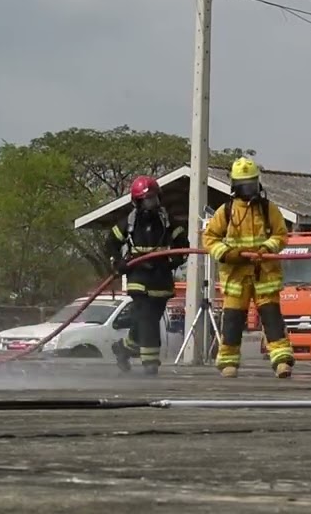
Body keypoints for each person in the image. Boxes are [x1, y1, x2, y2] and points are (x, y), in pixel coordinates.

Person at [204, 157, 294, 379]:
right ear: (235, 186)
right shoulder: (226, 212)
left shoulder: (268, 209)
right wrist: (227, 254)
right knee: (233, 321)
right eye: (244, 186)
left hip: (265, 276)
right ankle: (228, 362)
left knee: (272, 319)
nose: (249, 190)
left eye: (252, 184)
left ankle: (281, 360)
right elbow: (210, 238)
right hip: (236, 278)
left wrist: (266, 248)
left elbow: (281, 235)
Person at [105, 175, 190, 375]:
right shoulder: (130, 222)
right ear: (137, 201)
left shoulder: (167, 221)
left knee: (145, 319)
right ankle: (150, 364)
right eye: (148, 200)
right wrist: (118, 262)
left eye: (154, 199)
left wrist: (176, 259)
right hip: (139, 276)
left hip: (161, 277)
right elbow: (111, 244)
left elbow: (182, 244)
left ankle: (124, 348)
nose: (152, 203)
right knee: (147, 318)